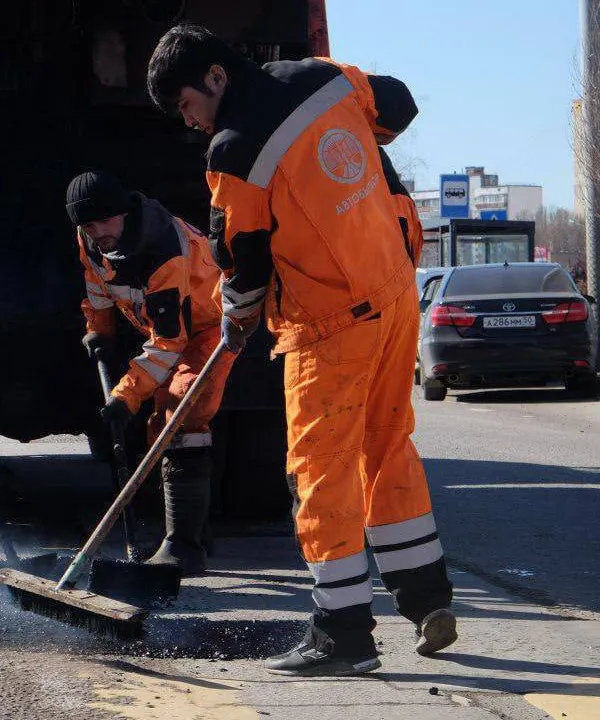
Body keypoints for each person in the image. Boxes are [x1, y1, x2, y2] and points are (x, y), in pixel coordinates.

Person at [146, 25, 456, 676]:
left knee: (319, 471)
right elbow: (397, 103)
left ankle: (342, 633)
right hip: (396, 291)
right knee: (388, 444)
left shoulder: (234, 152)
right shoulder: (322, 77)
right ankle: (427, 598)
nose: (191, 123)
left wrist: (233, 321)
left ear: (214, 78)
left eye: (185, 106)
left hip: (330, 320)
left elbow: (241, 258)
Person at [65, 171, 236, 575]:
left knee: (182, 411)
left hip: (209, 327)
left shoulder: (165, 248)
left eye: (105, 222)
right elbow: (96, 283)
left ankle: (184, 547)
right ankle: (193, 528)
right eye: (89, 226)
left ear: (124, 212)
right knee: (160, 424)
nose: (98, 233)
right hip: (165, 329)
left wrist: (125, 396)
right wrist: (99, 329)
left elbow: (170, 343)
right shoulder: (90, 240)